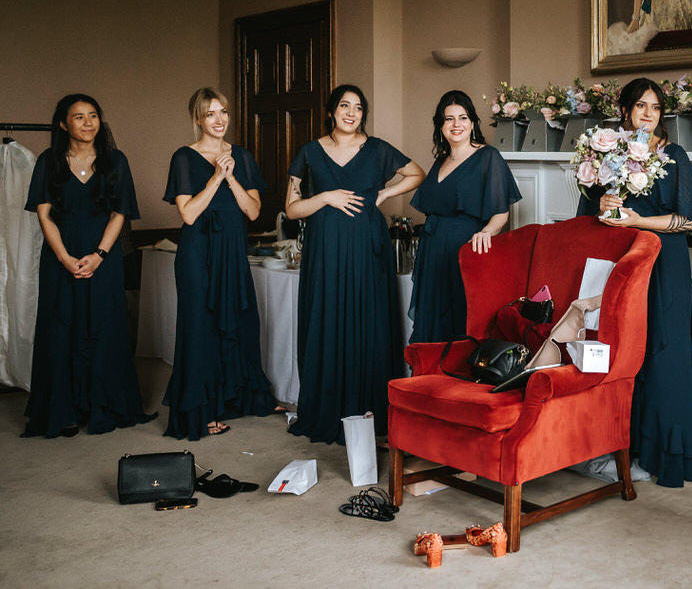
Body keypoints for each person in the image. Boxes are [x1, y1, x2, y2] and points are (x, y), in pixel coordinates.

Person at [576, 77, 692, 488]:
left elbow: (686, 220)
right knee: (622, 353)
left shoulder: (674, 156)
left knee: (662, 353)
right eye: (640, 106)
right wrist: (603, 203)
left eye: (655, 107)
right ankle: (618, 448)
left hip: (665, 264)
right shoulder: (606, 152)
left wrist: (639, 221)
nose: (648, 114)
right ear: (626, 111)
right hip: (621, 262)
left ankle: (659, 456)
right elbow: (586, 217)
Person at [285, 84, 425, 444]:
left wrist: (384, 194)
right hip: (324, 250)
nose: (351, 112)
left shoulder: (377, 150)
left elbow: (416, 173)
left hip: (367, 246)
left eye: (359, 108)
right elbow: (292, 208)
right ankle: (325, 408)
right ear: (331, 111)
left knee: (368, 319)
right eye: (344, 106)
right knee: (326, 318)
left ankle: (368, 410)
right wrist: (326, 197)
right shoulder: (309, 152)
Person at [22, 94, 155, 438]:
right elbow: (44, 215)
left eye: (93, 115)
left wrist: (99, 255)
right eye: (78, 117)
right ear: (64, 124)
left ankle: (104, 406)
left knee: (106, 328)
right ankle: (63, 410)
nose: (87, 123)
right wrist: (66, 258)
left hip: (103, 260)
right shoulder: (48, 161)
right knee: (60, 329)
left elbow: (120, 213)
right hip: (59, 259)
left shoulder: (116, 161)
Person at [162, 88, 277, 439]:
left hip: (232, 250)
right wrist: (214, 179)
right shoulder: (184, 157)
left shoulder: (241, 156)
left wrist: (231, 177)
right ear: (198, 119)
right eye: (211, 113)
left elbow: (254, 212)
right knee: (200, 329)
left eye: (223, 112)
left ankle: (237, 398)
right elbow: (189, 213)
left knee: (240, 322)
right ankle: (202, 411)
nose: (219, 119)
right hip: (197, 254)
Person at [408, 90, 521, 344]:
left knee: (461, 322)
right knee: (432, 326)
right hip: (433, 252)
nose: (456, 124)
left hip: (465, 250)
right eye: (449, 119)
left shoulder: (487, 157)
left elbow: (501, 212)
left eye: (463, 117)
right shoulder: (440, 162)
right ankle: (428, 382)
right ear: (441, 125)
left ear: (472, 123)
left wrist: (486, 232)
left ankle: (455, 382)